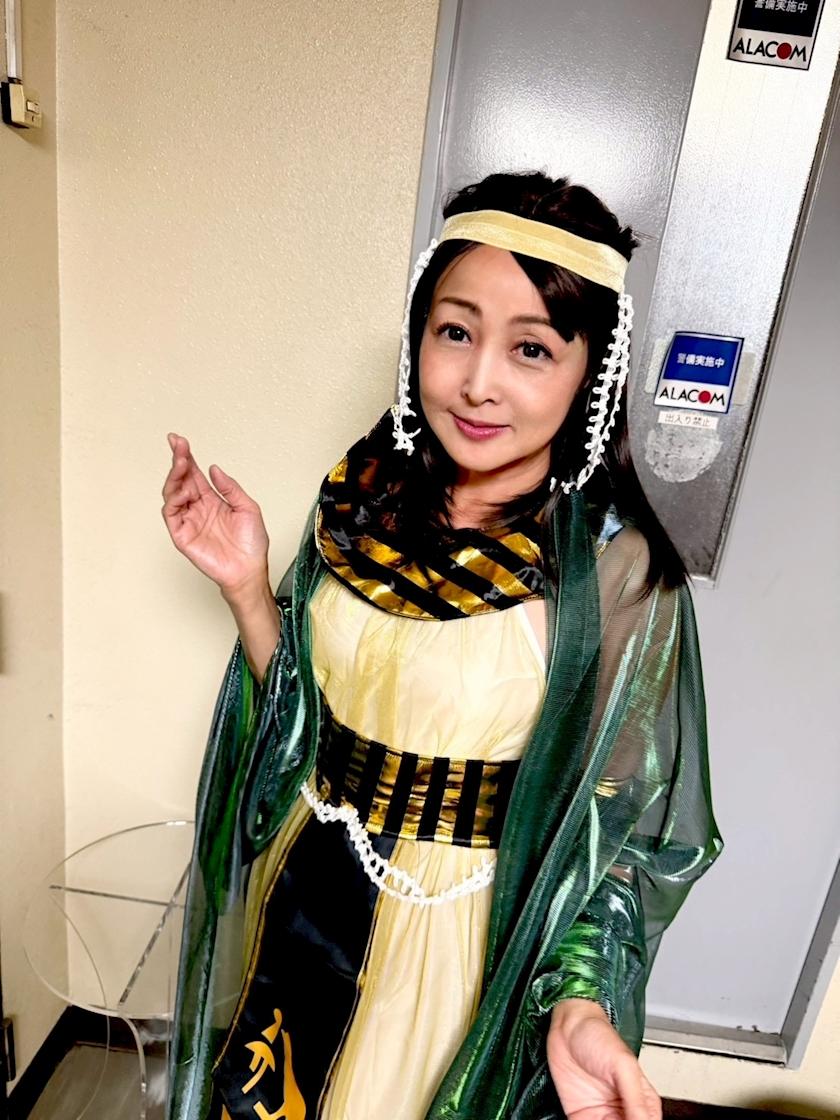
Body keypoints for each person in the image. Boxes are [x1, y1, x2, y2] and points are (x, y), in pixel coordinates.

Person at [162, 171, 722, 1120]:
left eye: (531, 348)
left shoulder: (615, 575)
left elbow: (621, 844)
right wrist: (249, 588)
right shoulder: (361, 502)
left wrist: (580, 1003)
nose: (477, 382)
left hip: (454, 954)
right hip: (304, 896)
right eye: (455, 331)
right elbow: (308, 735)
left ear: (593, 372)